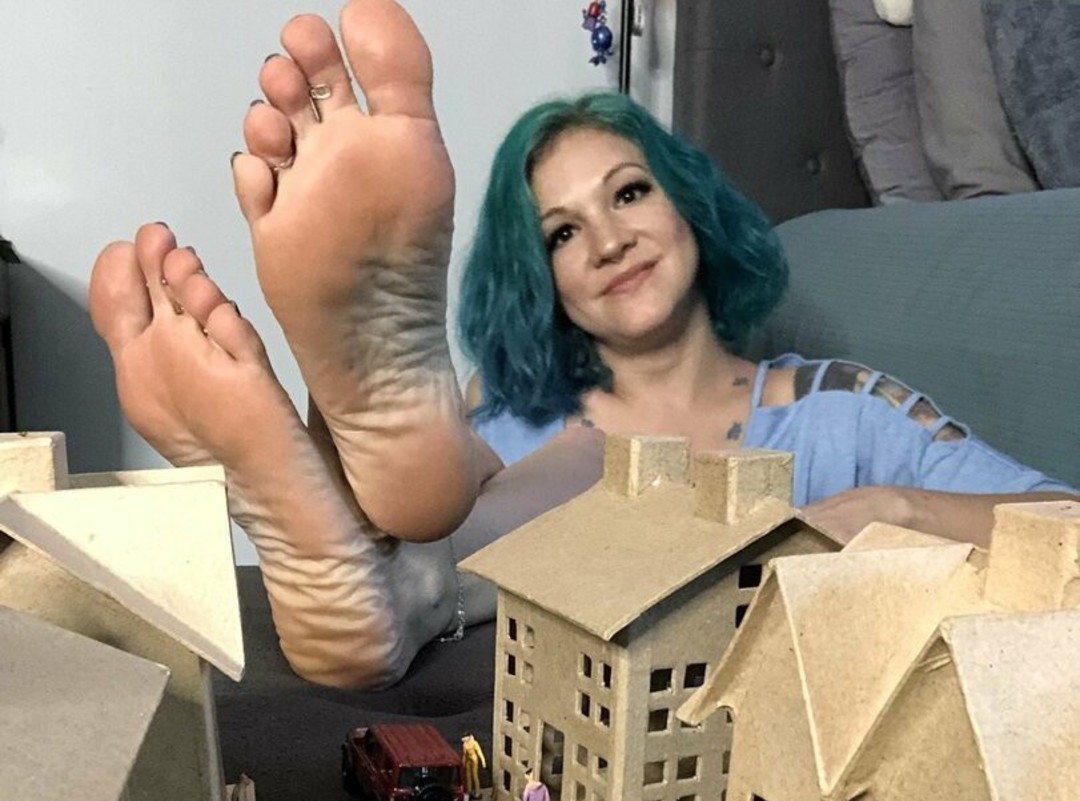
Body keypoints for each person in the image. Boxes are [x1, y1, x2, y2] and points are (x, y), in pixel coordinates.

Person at [88, 0, 1075, 693]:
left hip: (749, 695)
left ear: (692, 203)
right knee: (536, 469)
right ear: (539, 278)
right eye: (561, 233)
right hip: (496, 569)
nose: (606, 241)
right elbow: (450, 478)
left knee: (529, 481)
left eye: (629, 193)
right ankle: (379, 538)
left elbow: (1064, 524)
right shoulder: (517, 423)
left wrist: (895, 508)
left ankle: (377, 549)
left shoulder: (843, 415)